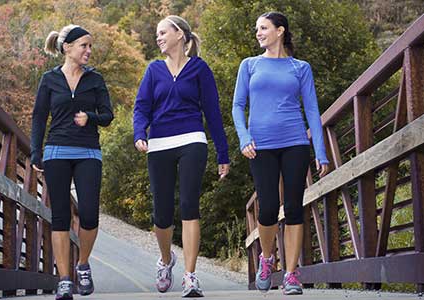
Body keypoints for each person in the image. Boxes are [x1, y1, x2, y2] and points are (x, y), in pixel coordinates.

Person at [232, 12, 329, 295]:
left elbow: (311, 110)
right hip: (260, 145)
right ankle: (266, 259)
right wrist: (244, 137)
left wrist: (320, 152)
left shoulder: (300, 68)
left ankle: (291, 275)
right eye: (257, 29)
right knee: (269, 208)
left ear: (280, 31)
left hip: (295, 142)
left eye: (263, 28)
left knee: (295, 207)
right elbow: (238, 106)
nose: (258, 33)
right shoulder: (249, 65)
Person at [133, 15, 230, 298]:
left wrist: (222, 153)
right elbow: (141, 107)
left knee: (189, 205)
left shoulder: (199, 69)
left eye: (163, 32)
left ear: (179, 34)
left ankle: (190, 277)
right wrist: (140, 133)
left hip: (192, 140)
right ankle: (165, 260)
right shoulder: (153, 71)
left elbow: (213, 114)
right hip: (159, 143)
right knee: (161, 213)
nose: (158, 37)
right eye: (157, 33)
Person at [30, 24, 113, 300]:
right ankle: (64, 279)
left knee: (89, 214)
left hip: (88, 151)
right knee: (61, 218)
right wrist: (35, 152)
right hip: (56, 151)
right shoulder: (49, 79)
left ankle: (83, 264)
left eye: (90, 46)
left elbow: (108, 115)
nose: (89, 51)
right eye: (84, 46)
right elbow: (39, 117)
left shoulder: (95, 80)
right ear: (67, 48)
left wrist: (90, 116)